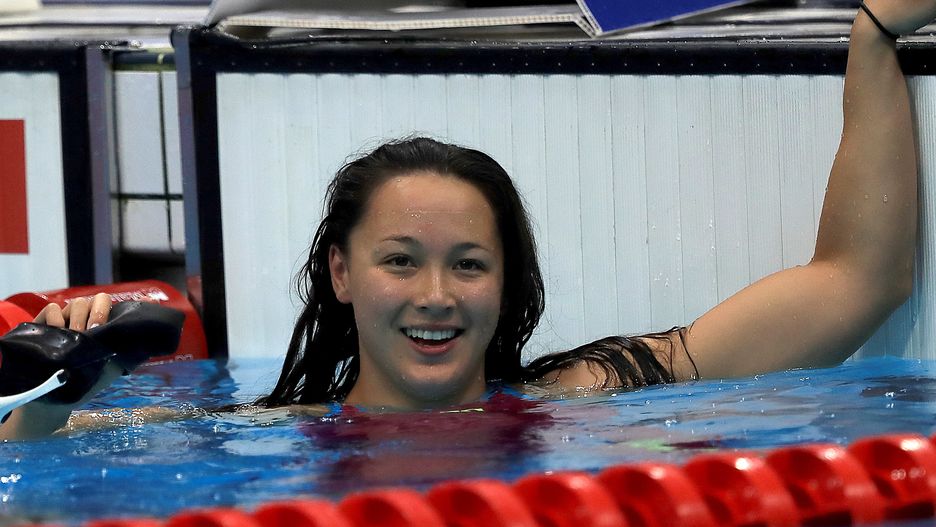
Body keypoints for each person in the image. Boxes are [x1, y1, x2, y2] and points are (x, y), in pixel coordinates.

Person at [0, 0, 931, 438]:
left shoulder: (588, 393)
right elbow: (29, 472)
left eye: (470, 264)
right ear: (341, 272)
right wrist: (58, 385)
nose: (437, 295)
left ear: (506, 279)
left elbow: (857, 281)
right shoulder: (261, 434)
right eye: (401, 260)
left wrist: (873, 32)